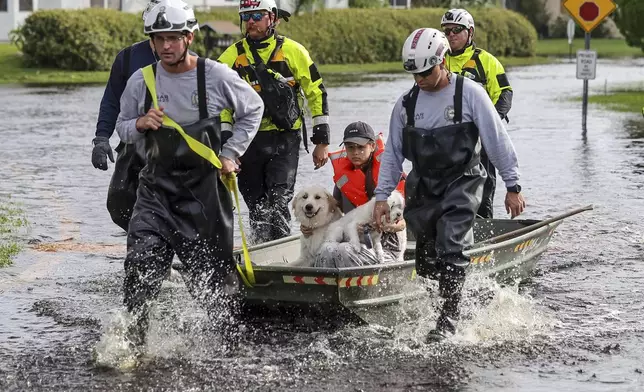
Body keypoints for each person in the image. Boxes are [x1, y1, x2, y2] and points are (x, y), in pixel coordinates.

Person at [114, 0, 264, 349]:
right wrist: (140, 123)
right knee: (140, 269)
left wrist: (231, 153)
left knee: (215, 286)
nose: (166, 46)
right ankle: (133, 347)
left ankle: (230, 350)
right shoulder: (141, 81)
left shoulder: (214, 75)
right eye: (158, 39)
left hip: (204, 195)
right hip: (155, 193)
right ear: (151, 42)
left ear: (190, 37)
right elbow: (122, 128)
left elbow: (252, 110)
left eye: (173, 38)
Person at [373, 28, 526, 342]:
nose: (420, 79)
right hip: (423, 186)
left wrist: (513, 185)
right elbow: (393, 154)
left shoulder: (469, 93)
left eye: (426, 72)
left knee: (451, 244)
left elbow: (496, 140)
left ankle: (449, 323)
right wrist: (381, 195)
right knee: (427, 260)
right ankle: (445, 307)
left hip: (463, 181)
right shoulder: (405, 104)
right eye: (413, 73)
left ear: (441, 61)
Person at [218, 0, 331, 244]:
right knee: (257, 205)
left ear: (272, 18)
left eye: (257, 15)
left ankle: (280, 253)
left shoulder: (293, 51)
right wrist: (227, 147)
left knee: (279, 199)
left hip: (285, 139)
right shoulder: (231, 56)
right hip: (248, 141)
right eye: (246, 16)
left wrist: (321, 140)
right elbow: (219, 101)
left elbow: (316, 92)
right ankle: (261, 251)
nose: (251, 21)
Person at [91, 0, 160, 232]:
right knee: (119, 201)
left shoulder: (190, 63)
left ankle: (156, 244)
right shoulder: (128, 57)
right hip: (134, 140)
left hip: (173, 145)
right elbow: (111, 100)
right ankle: (144, 238)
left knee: (163, 201)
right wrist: (102, 138)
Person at [441, 8, 514, 219]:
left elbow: (505, 94)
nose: (451, 35)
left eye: (457, 29)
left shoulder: (487, 61)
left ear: (470, 32)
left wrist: (489, 125)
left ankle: (484, 231)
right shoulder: (438, 61)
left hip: (479, 138)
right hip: (446, 139)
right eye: (447, 31)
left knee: (484, 187)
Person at [322, 121, 407, 262]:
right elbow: (335, 214)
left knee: (344, 250)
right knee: (327, 250)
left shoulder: (390, 175)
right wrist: (309, 226)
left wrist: (384, 226)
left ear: (372, 146)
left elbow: (404, 223)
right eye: (350, 148)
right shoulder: (343, 180)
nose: (355, 152)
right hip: (355, 238)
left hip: (386, 244)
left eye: (361, 147)